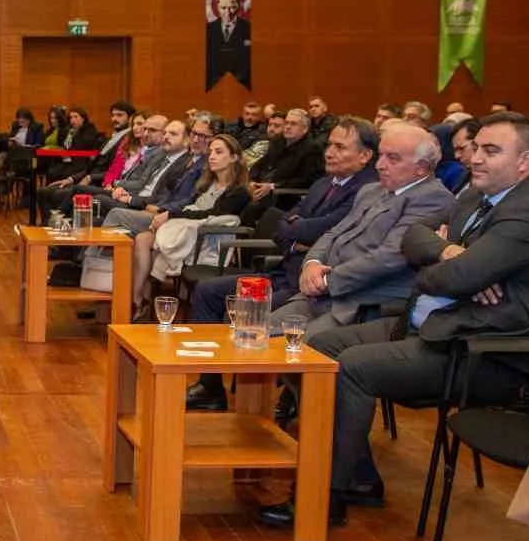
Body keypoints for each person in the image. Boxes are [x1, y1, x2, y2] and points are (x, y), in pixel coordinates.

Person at [258, 113, 529, 530]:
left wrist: (447, 263)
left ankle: (323, 496)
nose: (476, 158)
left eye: (491, 151)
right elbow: (417, 240)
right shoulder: (474, 198)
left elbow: (447, 273)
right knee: (314, 349)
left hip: (477, 349)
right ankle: (354, 472)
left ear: (526, 162)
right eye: (476, 147)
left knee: (351, 367)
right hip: (427, 324)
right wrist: (447, 252)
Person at [185, 117, 380, 411]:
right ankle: (211, 388)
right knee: (206, 292)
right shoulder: (323, 183)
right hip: (281, 270)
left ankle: (284, 397)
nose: (330, 152)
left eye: (340, 147)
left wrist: (297, 231)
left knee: (246, 317)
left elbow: (323, 229)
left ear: (365, 155)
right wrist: (296, 235)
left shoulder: (367, 190)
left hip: (308, 287)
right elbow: (281, 223)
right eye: (329, 145)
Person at [270, 121, 454, 340]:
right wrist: (312, 264)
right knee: (253, 333)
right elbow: (333, 233)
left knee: (299, 352)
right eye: (381, 155)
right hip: (319, 295)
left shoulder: (434, 198)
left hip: (362, 304)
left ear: (421, 168)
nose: (379, 165)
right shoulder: (372, 190)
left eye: (392, 158)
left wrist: (328, 281)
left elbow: (391, 256)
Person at [127, 133, 251, 316]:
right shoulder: (207, 183)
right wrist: (165, 214)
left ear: (234, 157)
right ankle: (138, 300)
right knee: (143, 239)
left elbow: (212, 215)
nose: (212, 156)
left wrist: (171, 215)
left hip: (207, 240)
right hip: (188, 231)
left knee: (149, 244)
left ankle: (142, 304)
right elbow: (188, 206)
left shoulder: (239, 191)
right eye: (210, 152)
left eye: (219, 152)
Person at [205, 0, 251, 86]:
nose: (227, 12)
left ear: (239, 6)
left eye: (232, 7)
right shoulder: (208, 30)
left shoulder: (249, 29)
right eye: (223, 8)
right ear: (217, 6)